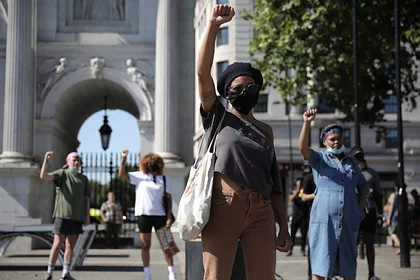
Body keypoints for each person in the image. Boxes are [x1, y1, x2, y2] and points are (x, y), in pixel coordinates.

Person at [197, 4, 292, 279]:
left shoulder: (266, 131)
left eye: (251, 87)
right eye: (237, 89)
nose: (245, 92)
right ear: (227, 94)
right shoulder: (218, 117)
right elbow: (203, 73)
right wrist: (214, 25)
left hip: (261, 212)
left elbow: (275, 186)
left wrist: (283, 226)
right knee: (216, 276)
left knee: (264, 276)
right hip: (222, 206)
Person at [298, 109, 369, 280]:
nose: (336, 142)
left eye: (339, 138)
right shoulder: (319, 159)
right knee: (321, 261)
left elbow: (364, 186)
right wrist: (307, 122)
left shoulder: (351, 162)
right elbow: (302, 148)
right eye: (332, 139)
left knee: (348, 263)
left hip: (348, 218)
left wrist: (359, 209)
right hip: (324, 219)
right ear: (325, 141)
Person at [118, 151, 176, 280]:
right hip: (143, 215)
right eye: (149, 163)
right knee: (145, 245)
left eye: (154, 163)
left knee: (167, 244)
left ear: (159, 165)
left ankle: (172, 274)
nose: (152, 165)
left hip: (160, 215)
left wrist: (169, 217)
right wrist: (123, 160)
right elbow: (122, 175)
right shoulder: (139, 176)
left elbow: (169, 199)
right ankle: (147, 274)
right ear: (144, 164)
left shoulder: (165, 179)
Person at [40, 151, 91, 280]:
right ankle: (49, 271)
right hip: (62, 215)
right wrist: (46, 160)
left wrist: (87, 216)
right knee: (57, 243)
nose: (76, 162)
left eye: (78, 160)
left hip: (76, 216)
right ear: (68, 162)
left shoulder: (84, 179)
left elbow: (87, 198)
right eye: (74, 160)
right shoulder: (62, 174)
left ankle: (65, 272)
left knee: (70, 245)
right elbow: (44, 176)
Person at [353, 150, 383, 280]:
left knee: (369, 243)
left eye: (361, 156)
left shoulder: (373, 174)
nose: (360, 159)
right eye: (357, 157)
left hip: (369, 212)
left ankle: (371, 273)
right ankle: (350, 273)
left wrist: (380, 215)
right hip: (353, 212)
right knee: (352, 243)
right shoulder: (349, 172)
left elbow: (379, 195)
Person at [287, 177, 309, 257]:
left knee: (304, 235)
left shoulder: (305, 191)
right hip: (295, 216)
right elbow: (291, 198)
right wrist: (297, 189)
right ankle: (290, 250)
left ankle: (303, 250)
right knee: (292, 234)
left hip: (303, 216)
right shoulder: (293, 191)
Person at [387, 182, 401, 255]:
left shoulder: (393, 195)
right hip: (400, 216)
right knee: (397, 232)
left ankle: (400, 245)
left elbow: (391, 206)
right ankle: (400, 247)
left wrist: (389, 217)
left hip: (394, 216)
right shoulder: (401, 194)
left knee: (391, 232)